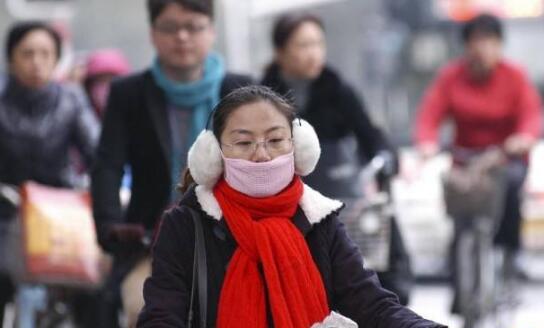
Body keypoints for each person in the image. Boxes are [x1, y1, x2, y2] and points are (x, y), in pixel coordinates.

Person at [137, 85, 444, 327]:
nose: (262, 155)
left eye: (275, 140)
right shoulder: (186, 225)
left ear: (299, 147)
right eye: (244, 143)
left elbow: (371, 305)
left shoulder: (319, 221)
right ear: (213, 155)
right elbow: (162, 315)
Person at [90, 0, 252, 326]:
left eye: (193, 26)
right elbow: (108, 166)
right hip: (151, 242)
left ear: (211, 31)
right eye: (170, 27)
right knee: (141, 308)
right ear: (152, 33)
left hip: (237, 240)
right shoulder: (128, 94)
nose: (182, 36)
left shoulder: (244, 91)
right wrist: (109, 226)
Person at [261, 13, 413, 304]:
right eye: (302, 45)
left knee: (380, 246)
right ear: (280, 52)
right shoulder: (261, 97)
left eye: (318, 43)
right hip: (284, 204)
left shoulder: (339, 91)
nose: (312, 53)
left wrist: (383, 158)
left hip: (342, 200)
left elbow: (370, 135)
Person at [415, 13, 542, 311]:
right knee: (459, 214)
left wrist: (524, 137)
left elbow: (531, 114)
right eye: (476, 41)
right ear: (466, 46)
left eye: (490, 41)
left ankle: (510, 253)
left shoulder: (515, 76)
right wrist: (426, 142)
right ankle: (459, 282)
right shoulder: (451, 77)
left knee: (509, 190)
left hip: (504, 159)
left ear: (500, 45)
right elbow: (430, 113)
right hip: (466, 161)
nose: (482, 48)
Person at [0, 21, 99, 327]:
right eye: (27, 53)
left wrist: (99, 187)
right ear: (11, 58)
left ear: (57, 58)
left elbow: (97, 151)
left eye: (45, 53)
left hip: (60, 214)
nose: (36, 62)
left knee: (95, 289)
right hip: (6, 211)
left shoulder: (71, 99)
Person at [83, 48, 131, 119]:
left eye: (112, 80)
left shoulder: (135, 118)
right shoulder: (80, 117)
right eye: (100, 81)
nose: (106, 87)